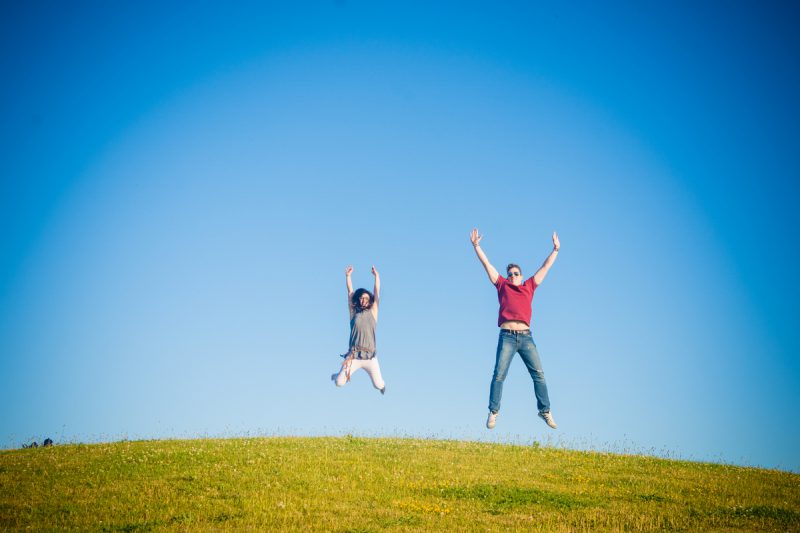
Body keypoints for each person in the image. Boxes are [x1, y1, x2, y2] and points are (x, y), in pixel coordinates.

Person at [470, 228, 560, 430]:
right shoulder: (502, 285)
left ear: (521, 276)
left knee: (539, 374)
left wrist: (555, 250)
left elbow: (545, 268)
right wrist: (477, 246)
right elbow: (487, 265)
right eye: (509, 274)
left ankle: (545, 410)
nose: (512, 276)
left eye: (515, 274)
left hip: (526, 338)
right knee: (499, 374)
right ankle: (493, 412)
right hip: (507, 337)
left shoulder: (529, 286)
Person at [331, 265, 386, 394]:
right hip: (354, 356)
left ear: (370, 300)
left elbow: (377, 291)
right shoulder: (353, 313)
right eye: (361, 298)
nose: (363, 300)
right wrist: (348, 276)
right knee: (339, 383)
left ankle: (383, 385)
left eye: (366, 298)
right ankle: (336, 376)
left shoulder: (373, 312)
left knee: (378, 385)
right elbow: (350, 292)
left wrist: (377, 276)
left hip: (370, 357)